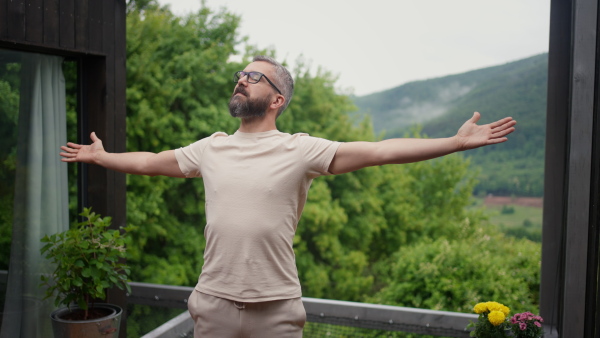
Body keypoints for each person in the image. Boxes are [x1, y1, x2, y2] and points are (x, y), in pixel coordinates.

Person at [60, 55, 516, 337]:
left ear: (277, 99)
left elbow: (380, 151)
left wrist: (453, 143)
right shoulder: (211, 147)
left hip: (276, 311)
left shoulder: (301, 149)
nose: (241, 80)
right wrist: (103, 157)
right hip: (213, 304)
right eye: (240, 74)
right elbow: (151, 160)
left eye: (254, 77)